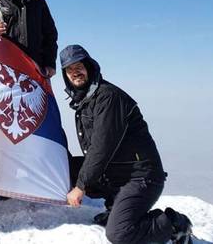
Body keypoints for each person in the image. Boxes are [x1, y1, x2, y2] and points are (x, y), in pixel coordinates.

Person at [60, 44, 193, 244]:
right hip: (118, 172)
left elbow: (102, 148)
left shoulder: (108, 97)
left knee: (119, 234)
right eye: (69, 70)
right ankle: (116, 206)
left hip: (141, 177)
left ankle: (173, 224)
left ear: (89, 67)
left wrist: (81, 186)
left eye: (78, 66)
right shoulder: (86, 100)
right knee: (64, 167)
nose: (74, 72)